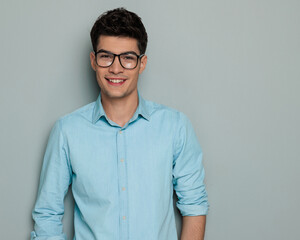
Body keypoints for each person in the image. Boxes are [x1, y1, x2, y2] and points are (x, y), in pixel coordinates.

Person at [31, 7, 209, 240]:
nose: (116, 68)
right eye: (106, 56)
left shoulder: (175, 127)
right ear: (94, 61)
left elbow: (194, 205)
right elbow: (47, 214)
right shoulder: (67, 132)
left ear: (142, 63)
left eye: (127, 58)